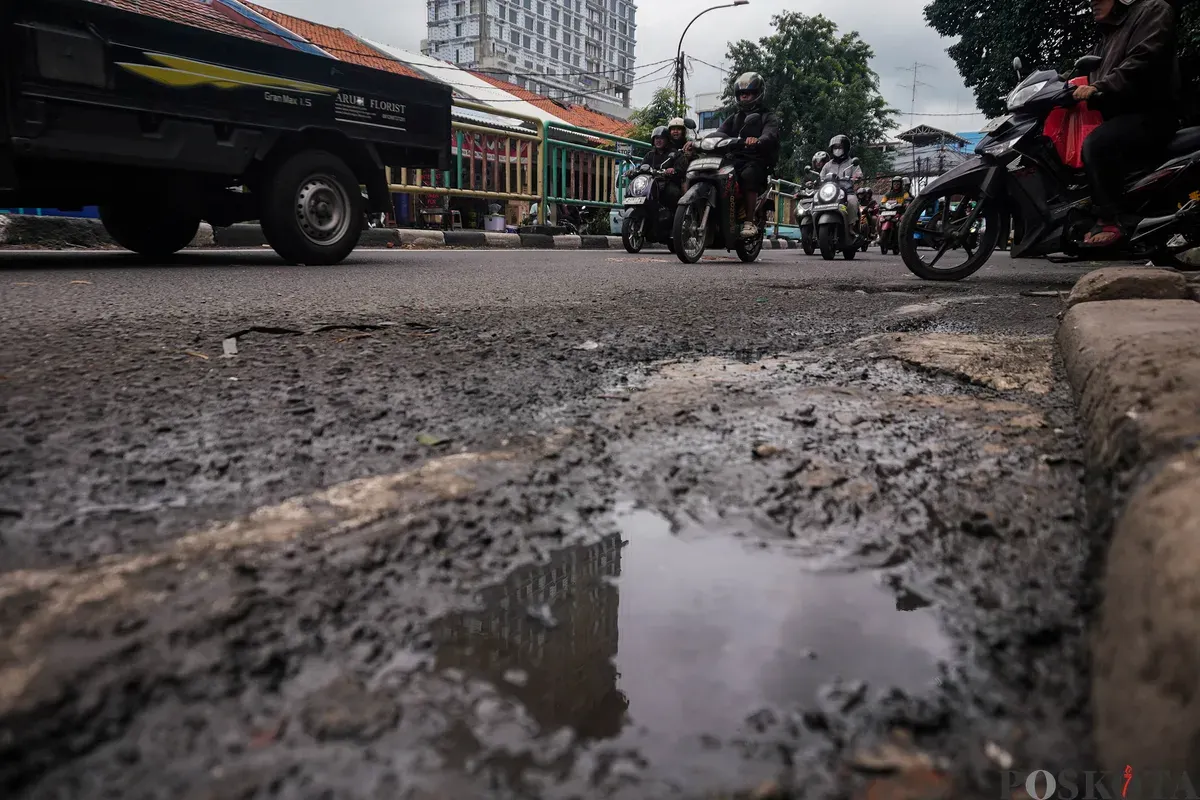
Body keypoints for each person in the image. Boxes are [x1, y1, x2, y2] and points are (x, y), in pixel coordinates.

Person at [1075, 0, 1180, 247]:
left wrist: (1100, 86)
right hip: (1121, 117)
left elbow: (1142, 59)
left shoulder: (1153, 11)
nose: (1093, 2)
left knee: (1096, 144)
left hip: (1152, 113)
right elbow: (1085, 74)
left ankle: (1109, 220)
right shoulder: (1108, 36)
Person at [715, 72, 782, 237]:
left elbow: (770, 134)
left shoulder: (768, 117)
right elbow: (719, 132)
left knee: (748, 175)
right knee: (712, 172)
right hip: (734, 160)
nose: (744, 96)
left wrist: (758, 140)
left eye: (749, 93)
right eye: (741, 93)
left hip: (756, 160)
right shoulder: (735, 118)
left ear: (758, 94)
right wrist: (700, 141)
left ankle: (749, 222)